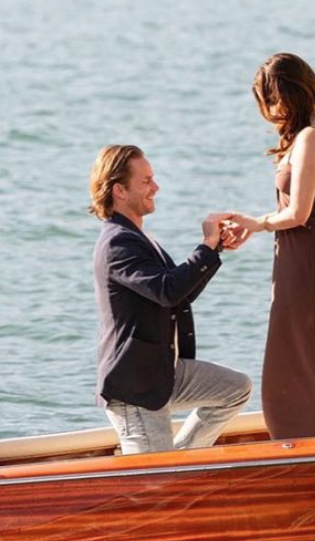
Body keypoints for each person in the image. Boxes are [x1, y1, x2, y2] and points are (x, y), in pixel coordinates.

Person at [89, 144, 252, 455]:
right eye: (146, 181)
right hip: (134, 388)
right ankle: (172, 467)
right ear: (119, 190)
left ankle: (181, 458)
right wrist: (206, 244)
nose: (156, 187)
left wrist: (213, 250)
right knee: (152, 486)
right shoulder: (118, 243)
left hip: (162, 371)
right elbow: (168, 290)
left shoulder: (137, 237)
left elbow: (179, 294)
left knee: (235, 389)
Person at [227, 53, 315, 440]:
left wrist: (256, 223)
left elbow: (298, 213)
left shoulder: (313, 137)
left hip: (310, 259)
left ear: (288, 94)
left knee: (298, 359)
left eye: (272, 102)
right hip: (313, 255)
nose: (271, 113)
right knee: (309, 358)